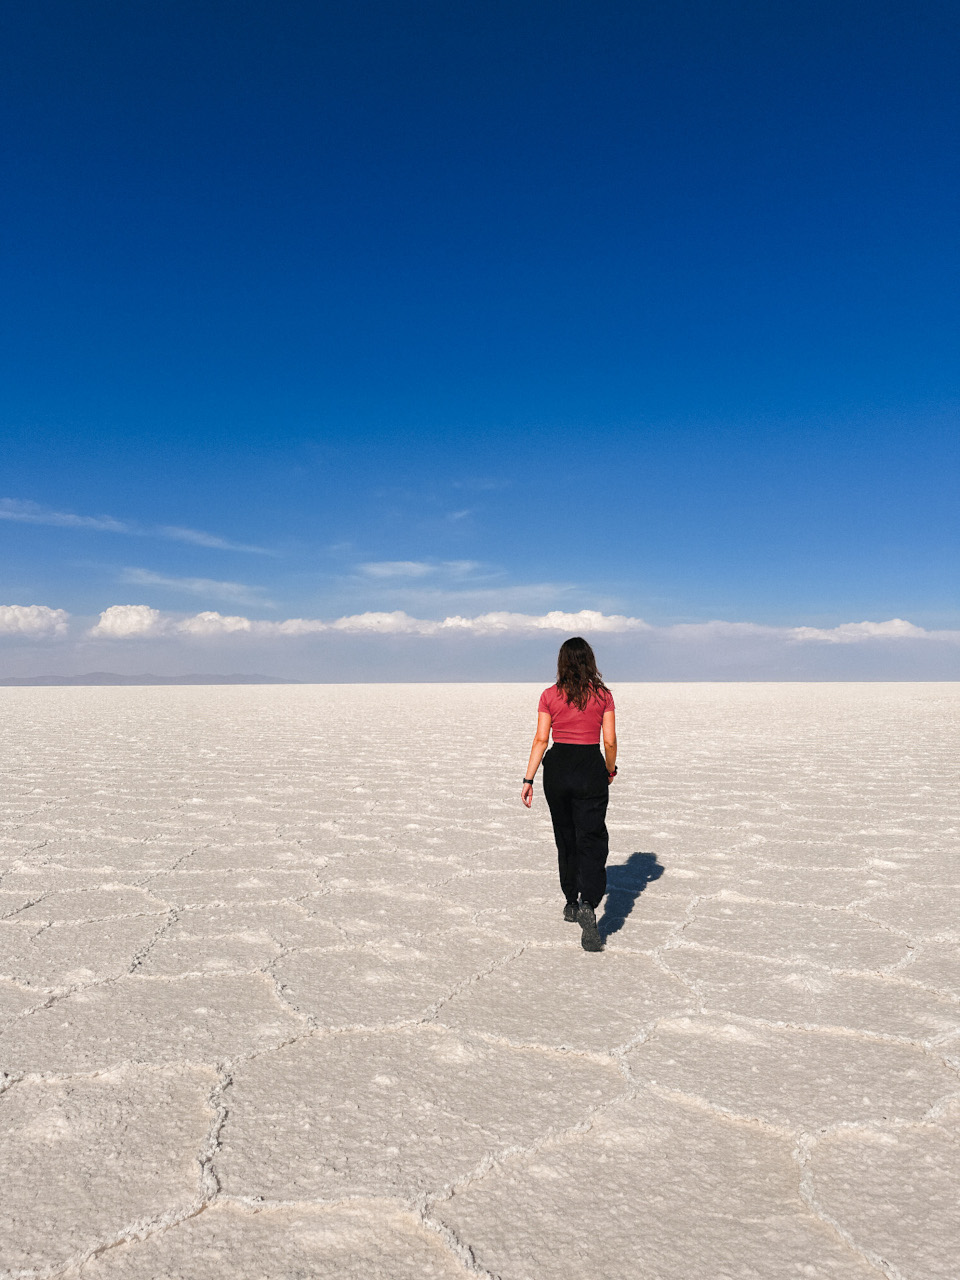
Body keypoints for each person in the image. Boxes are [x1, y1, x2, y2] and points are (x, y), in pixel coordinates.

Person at [521, 636, 617, 952]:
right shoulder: (603, 696)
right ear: (590, 661)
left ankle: (571, 901)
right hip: (590, 765)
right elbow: (610, 741)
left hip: (558, 769)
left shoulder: (550, 695)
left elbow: (540, 739)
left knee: (566, 836)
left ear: (562, 662)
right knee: (591, 837)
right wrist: (610, 770)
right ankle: (590, 901)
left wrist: (528, 779)